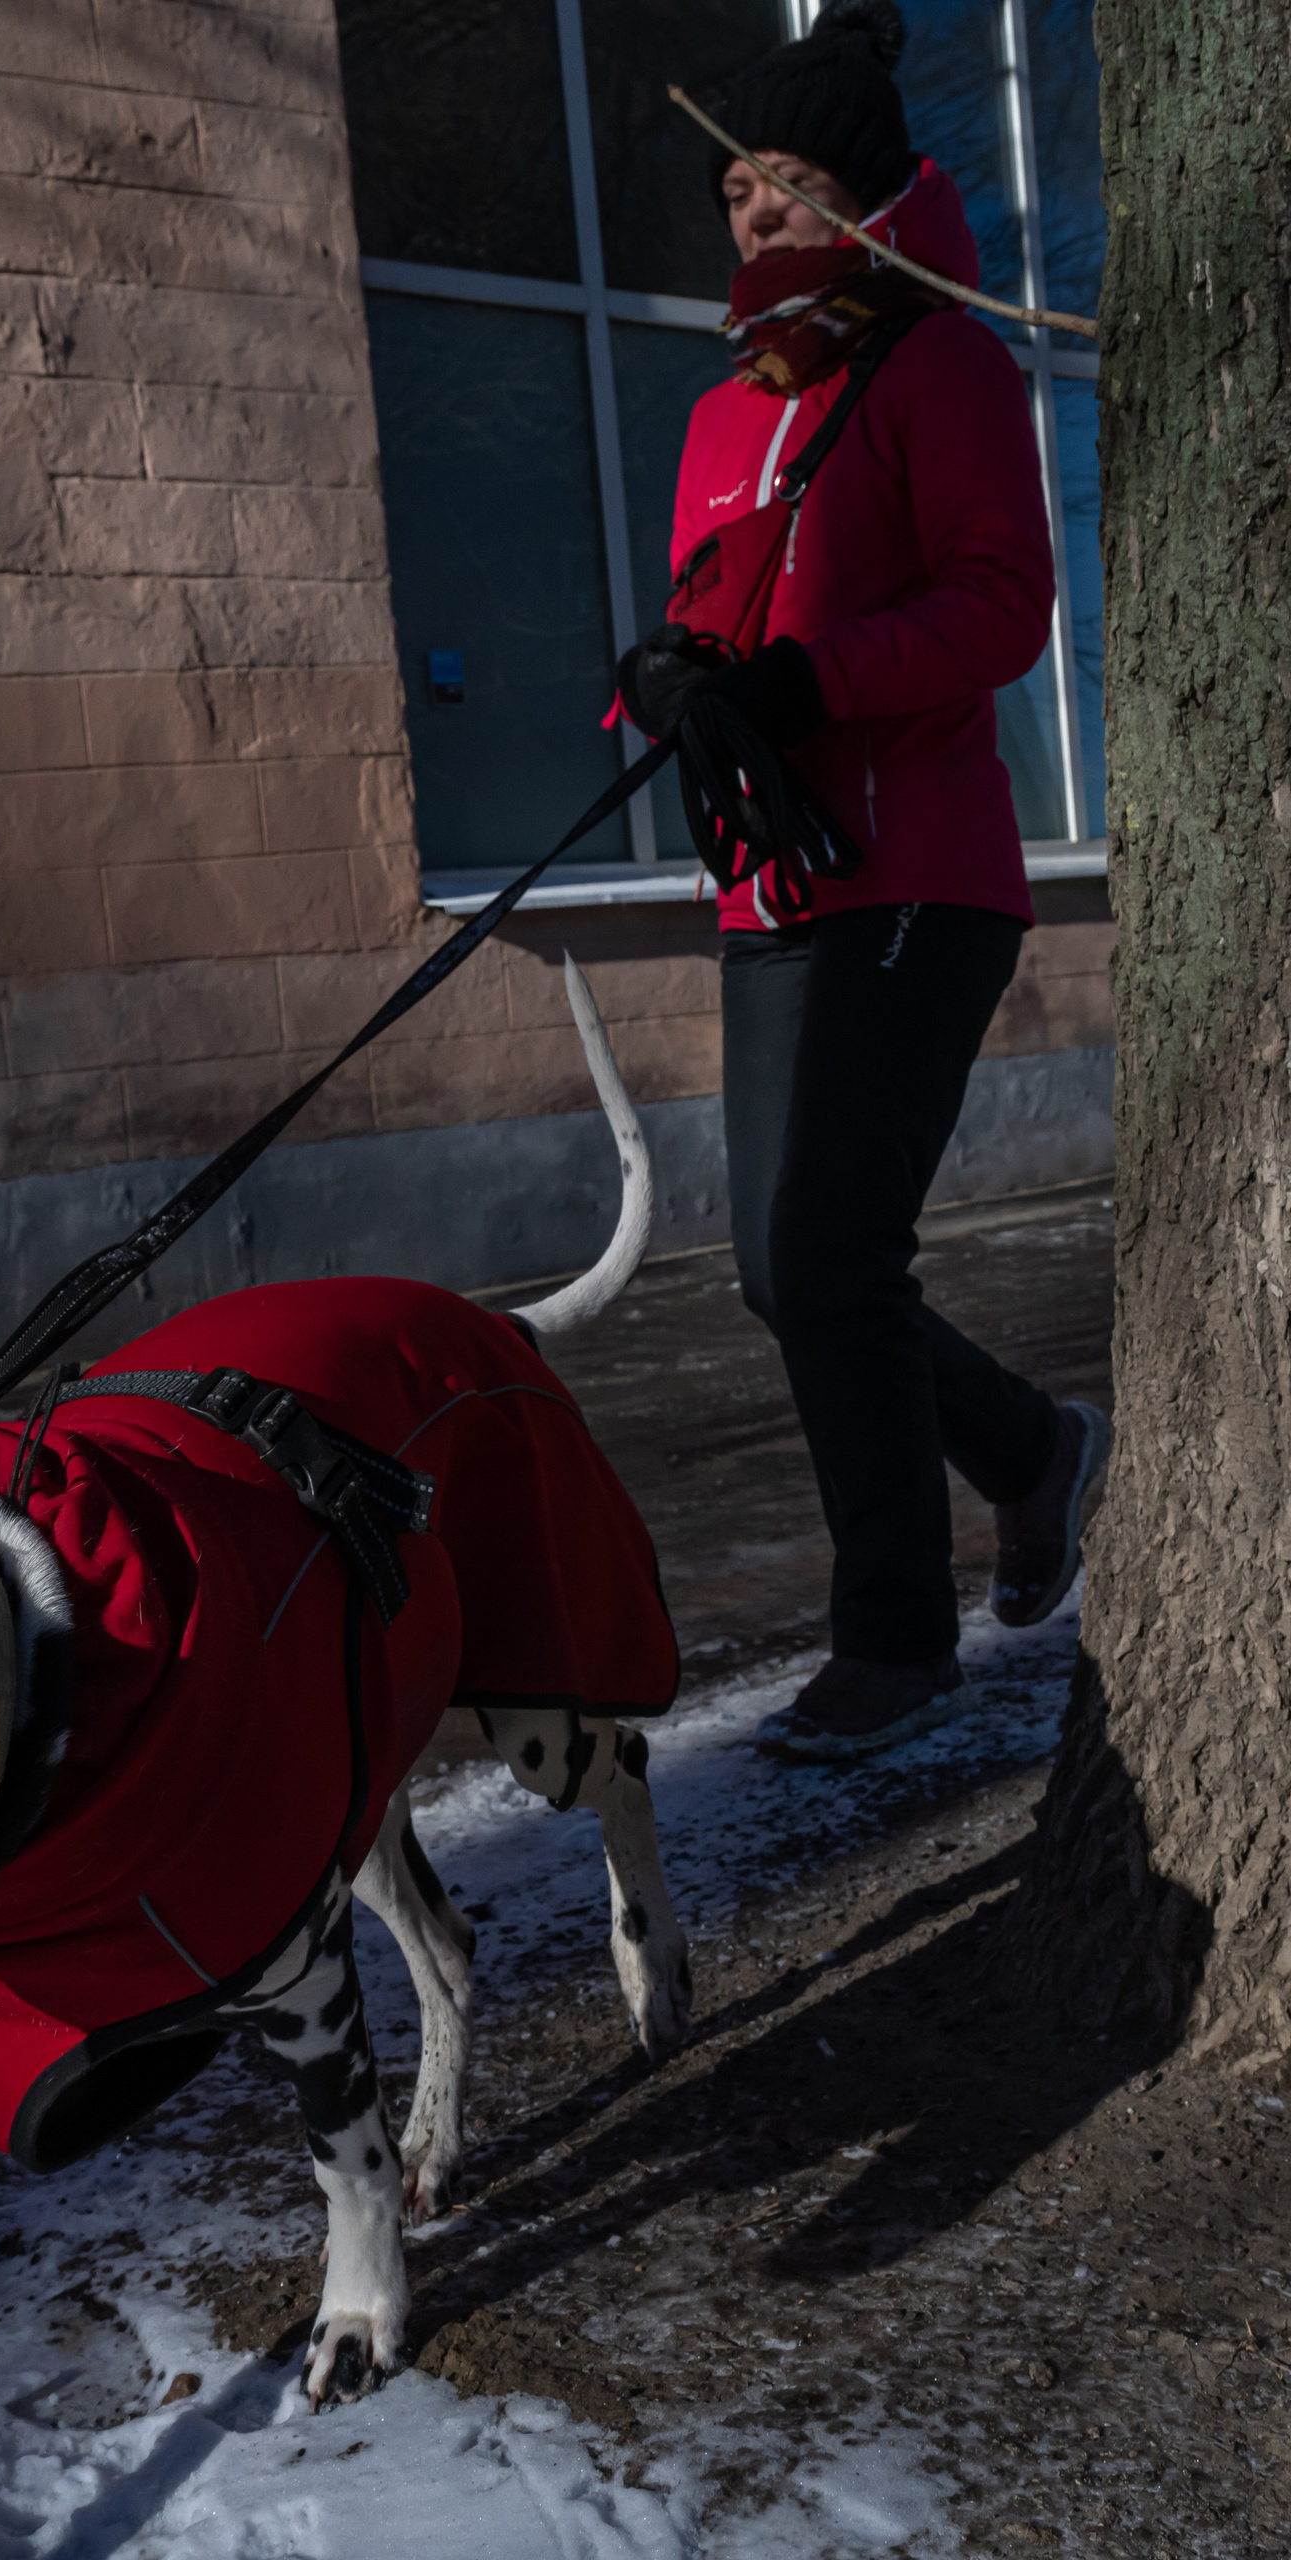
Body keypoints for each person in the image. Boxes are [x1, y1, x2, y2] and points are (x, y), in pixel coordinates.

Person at [616, 0, 1108, 1762]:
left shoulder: (941, 368)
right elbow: (701, 624)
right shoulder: (717, 414)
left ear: (873, 198)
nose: (754, 211)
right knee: (786, 1267)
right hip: (774, 891)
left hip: (919, 873)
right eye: (740, 183)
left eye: (793, 182)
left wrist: (812, 684)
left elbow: (1001, 604)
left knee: (829, 1249)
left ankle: (891, 1640)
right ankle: (1035, 1452)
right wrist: (664, 681)